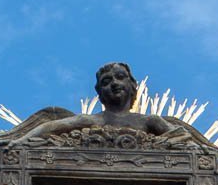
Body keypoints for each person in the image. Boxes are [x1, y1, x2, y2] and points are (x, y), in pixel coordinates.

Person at [12, 62, 188, 145]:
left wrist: (165, 143)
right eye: (106, 81)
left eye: (120, 77)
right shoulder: (91, 121)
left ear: (133, 85)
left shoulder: (150, 121)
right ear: (100, 93)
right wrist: (20, 141)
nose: (114, 83)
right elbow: (49, 127)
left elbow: (185, 138)